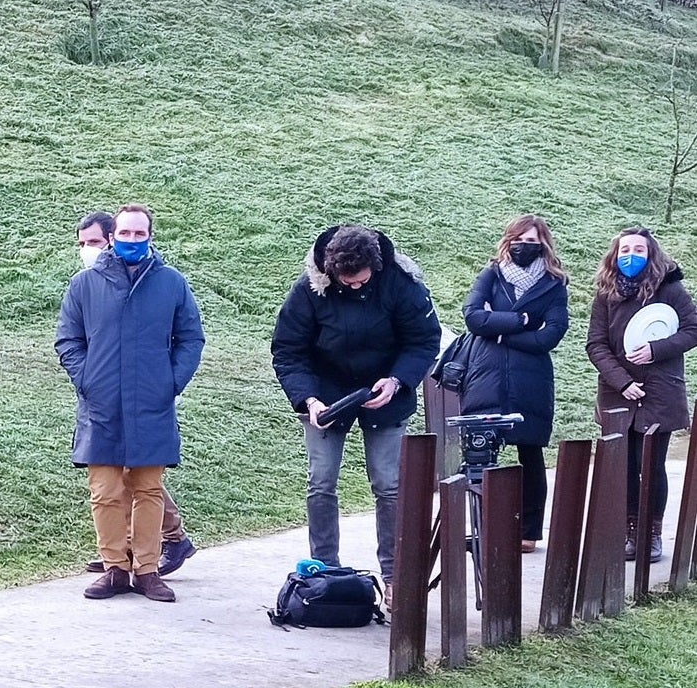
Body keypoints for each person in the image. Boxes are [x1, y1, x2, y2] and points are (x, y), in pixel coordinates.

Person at [271, 224, 441, 604]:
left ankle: (395, 578)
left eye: (360, 281)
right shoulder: (309, 289)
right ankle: (324, 571)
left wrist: (397, 381)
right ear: (331, 271)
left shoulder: (401, 283)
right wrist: (308, 400)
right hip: (325, 396)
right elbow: (288, 350)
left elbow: (424, 340)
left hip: (387, 390)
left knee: (389, 485)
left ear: (375, 267)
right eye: (345, 282)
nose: (353, 287)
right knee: (321, 482)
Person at [56, 204, 205, 603]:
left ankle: (148, 571)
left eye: (140, 234)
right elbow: (68, 340)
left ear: (150, 237)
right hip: (101, 405)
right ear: (112, 237)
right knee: (105, 491)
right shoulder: (84, 285)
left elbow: (190, 338)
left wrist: (170, 382)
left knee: (148, 489)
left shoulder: (172, 283)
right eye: (125, 233)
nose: (132, 240)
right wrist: (87, 379)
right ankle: (115, 569)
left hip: (152, 404)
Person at [584, 227, 697, 564]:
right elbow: (596, 344)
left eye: (638, 250)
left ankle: (652, 533)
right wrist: (621, 382)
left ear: (650, 253)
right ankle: (630, 531)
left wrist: (656, 349)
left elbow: (693, 329)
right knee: (624, 467)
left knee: (651, 465)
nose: (630, 256)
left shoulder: (670, 288)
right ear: (615, 255)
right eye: (625, 250)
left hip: (659, 391)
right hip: (618, 392)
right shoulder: (606, 292)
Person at [460, 216, 571, 552]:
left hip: (531, 379)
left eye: (532, 240)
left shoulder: (554, 283)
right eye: (519, 239)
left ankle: (529, 532)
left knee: (531, 454)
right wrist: (522, 321)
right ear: (509, 241)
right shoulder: (491, 273)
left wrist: (499, 332)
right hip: (486, 375)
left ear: (543, 244)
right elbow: (472, 316)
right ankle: (484, 528)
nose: (525, 245)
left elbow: (551, 335)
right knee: (482, 453)